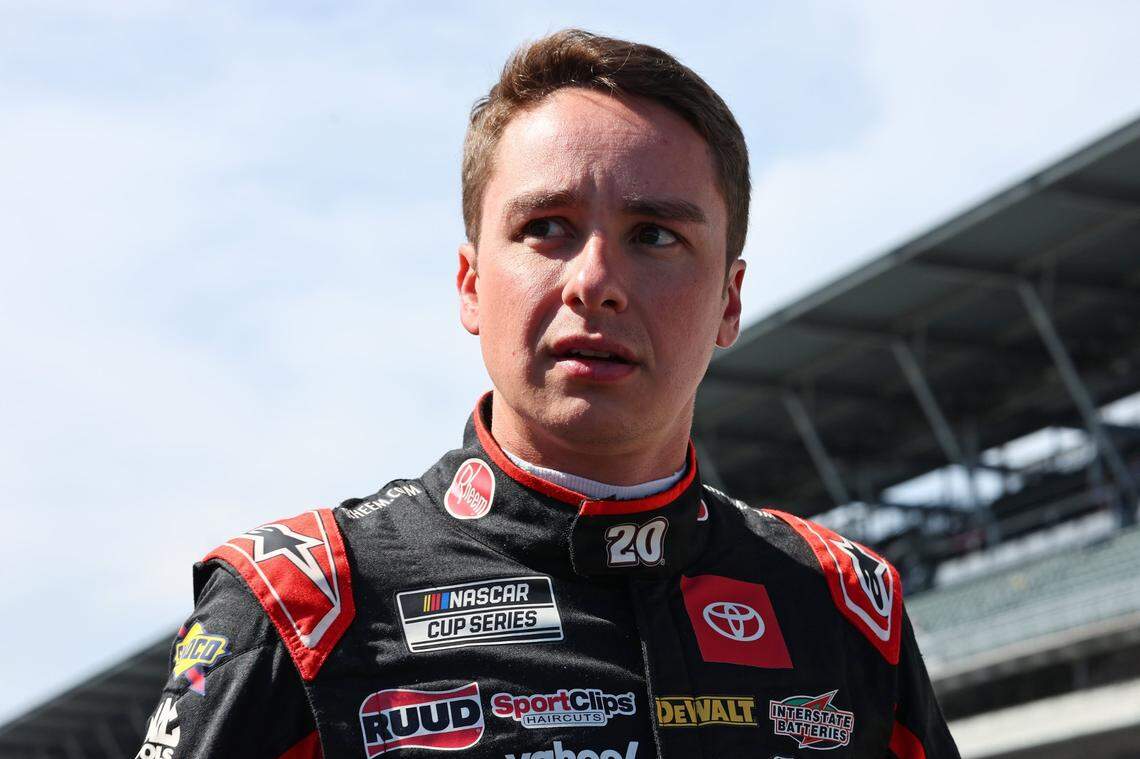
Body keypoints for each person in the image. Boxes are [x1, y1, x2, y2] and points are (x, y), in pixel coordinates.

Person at [137, 29, 959, 759]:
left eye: (655, 235)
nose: (595, 281)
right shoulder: (300, 605)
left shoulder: (848, 608)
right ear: (470, 283)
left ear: (729, 301)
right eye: (547, 228)